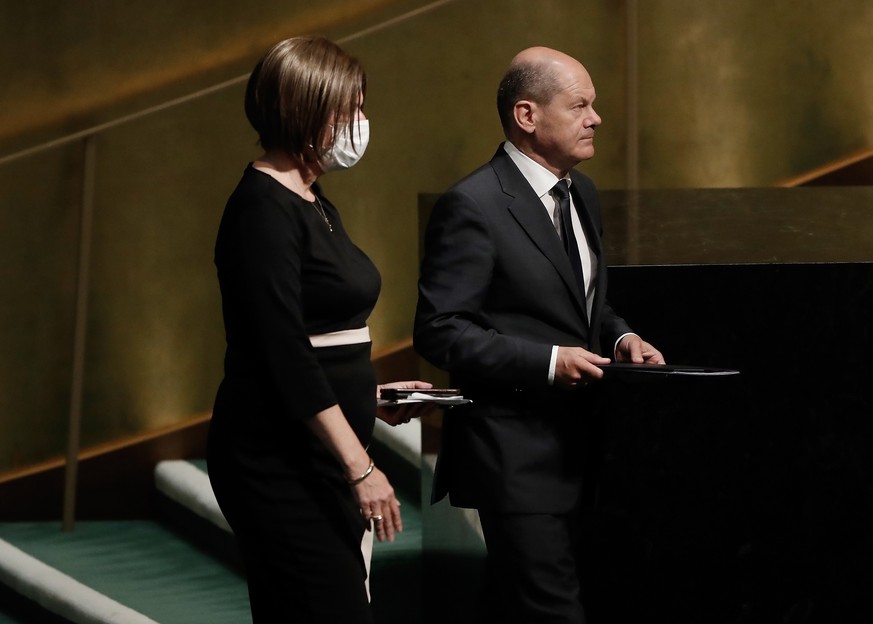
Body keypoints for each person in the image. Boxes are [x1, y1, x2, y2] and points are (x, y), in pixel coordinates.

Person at [413, 46, 665, 623]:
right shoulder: (471, 206)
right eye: (580, 105)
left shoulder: (584, 192)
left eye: (593, 105)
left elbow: (582, 304)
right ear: (528, 116)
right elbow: (440, 330)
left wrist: (622, 336)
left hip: (584, 451)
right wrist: (549, 361)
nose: (595, 118)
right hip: (516, 457)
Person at [207, 36, 430, 623]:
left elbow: (321, 334)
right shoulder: (261, 210)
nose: (360, 123)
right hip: (280, 464)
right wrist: (362, 467)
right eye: (349, 109)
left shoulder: (313, 198)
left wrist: (369, 396)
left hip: (315, 453)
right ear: (306, 109)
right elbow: (281, 354)